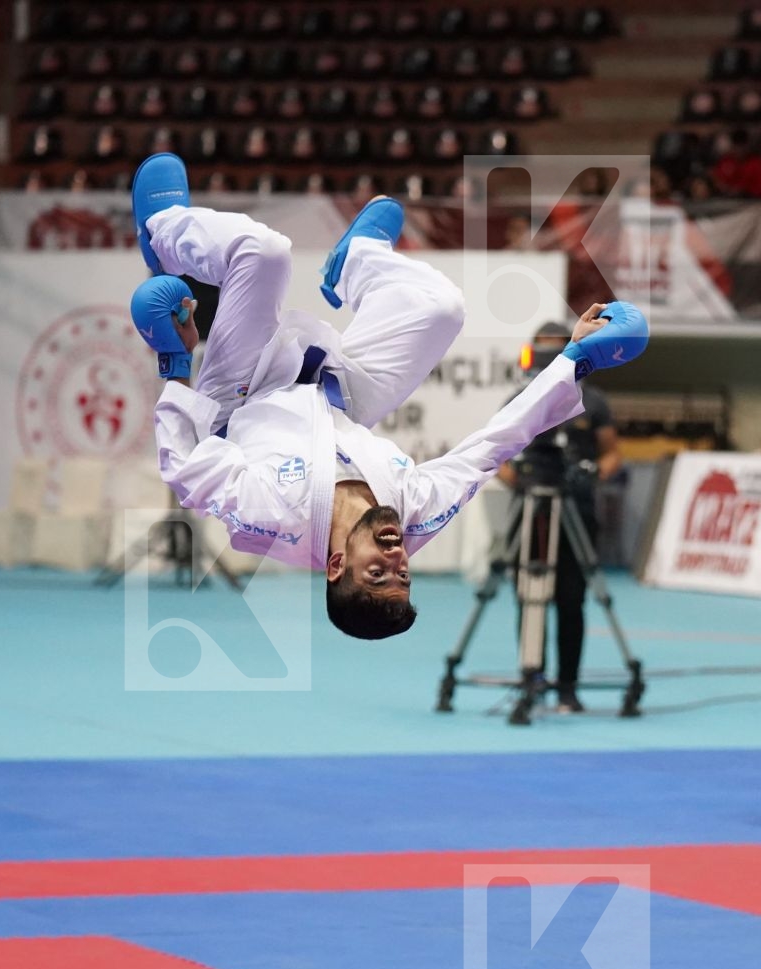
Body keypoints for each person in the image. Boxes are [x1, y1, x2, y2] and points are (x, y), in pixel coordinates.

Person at [127, 154, 649, 640]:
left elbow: (185, 470)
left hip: (246, 393)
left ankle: (162, 231)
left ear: (336, 566)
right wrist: (574, 363)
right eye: (403, 576)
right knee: (440, 307)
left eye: (377, 574)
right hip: (341, 397)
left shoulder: (273, 517)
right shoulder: (414, 516)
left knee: (265, 254)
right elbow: (493, 446)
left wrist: (175, 361)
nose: (397, 561)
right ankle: (358, 260)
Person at [497, 322, 623, 713]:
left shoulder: (594, 401)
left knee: (572, 600)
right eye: (545, 351)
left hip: (576, 511)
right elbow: (495, 453)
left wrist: (594, 474)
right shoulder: (520, 398)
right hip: (532, 511)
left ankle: (568, 686)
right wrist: (518, 481)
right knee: (529, 596)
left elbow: (612, 453)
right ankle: (531, 676)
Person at [710, 131, 761, 200]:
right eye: (737, 147)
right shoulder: (725, 161)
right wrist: (723, 187)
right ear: (732, 146)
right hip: (725, 199)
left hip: (750, 200)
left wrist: (743, 191)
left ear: (747, 146)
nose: (739, 150)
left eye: (742, 147)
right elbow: (717, 179)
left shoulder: (757, 163)